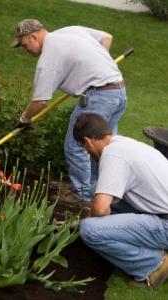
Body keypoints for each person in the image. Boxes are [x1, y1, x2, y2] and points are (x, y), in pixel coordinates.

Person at [11, 19, 127, 203]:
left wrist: (24, 119)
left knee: (77, 146)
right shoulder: (71, 30)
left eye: (25, 45)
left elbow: (40, 101)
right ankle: (103, 193)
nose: (27, 51)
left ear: (33, 36)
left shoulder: (48, 57)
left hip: (98, 96)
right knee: (105, 147)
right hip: (118, 92)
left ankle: (82, 197)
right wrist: (98, 63)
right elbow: (106, 37)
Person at [73, 112, 168, 288]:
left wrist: (88, 220)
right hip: (162, 210)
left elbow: (101, 209)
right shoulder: (123, 143)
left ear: (88, 141)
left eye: (83, 146)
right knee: (98, 191)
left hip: (166, 224)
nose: (86, 151)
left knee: (90, 230)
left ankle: (154, 265)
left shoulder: (113, 155)